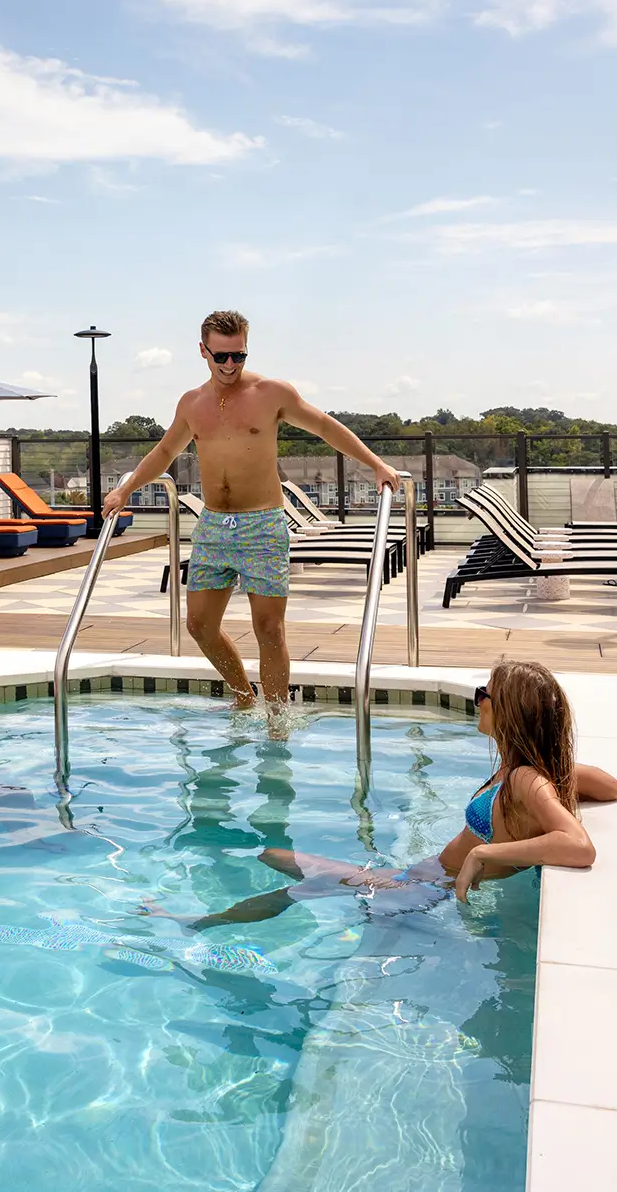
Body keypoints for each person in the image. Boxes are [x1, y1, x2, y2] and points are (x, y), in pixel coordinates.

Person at [147, 660, 615, 928]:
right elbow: (607, 786)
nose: (478, 701)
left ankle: (195, 922)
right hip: (419, 875)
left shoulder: (525, 781)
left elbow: (578, 845)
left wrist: (484, 855)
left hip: (422, 888)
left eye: (483, 693)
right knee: (275, 854)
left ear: (507, 709)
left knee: (300, 887)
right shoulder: (544, 773)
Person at [103, 310, 401, 710]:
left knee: (269, 629)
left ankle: (277, 719)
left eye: (238, 356)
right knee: (200, 625)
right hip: (212, 524)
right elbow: (165, 451)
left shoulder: (271, 394)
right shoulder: (192, 403)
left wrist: (376, 464)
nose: (229, 365)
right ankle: (244, 696)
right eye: (221, 356)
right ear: (203, 351)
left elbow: (326, 428)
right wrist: (127, 490)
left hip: (262, 524)